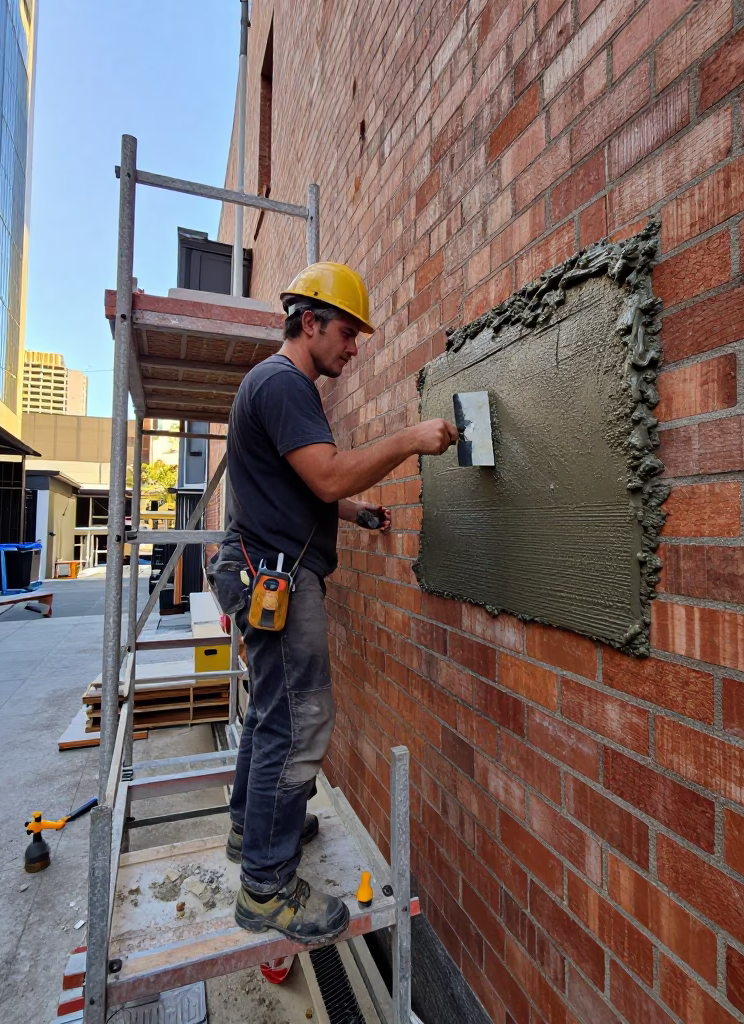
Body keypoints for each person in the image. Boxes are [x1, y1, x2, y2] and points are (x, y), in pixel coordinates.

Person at [208, 261, 458, 942]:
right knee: (300, 720)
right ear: (309, 322)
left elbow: (303, 490)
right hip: (277, 578)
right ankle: (265, 887)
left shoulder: (273, 384)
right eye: (347, 332)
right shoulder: (287, 384)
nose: (354, 347)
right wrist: (410, 439)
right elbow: (321, 476)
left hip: (260, 566)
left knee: (270, 714)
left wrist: (357, 515)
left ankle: (248, 829)